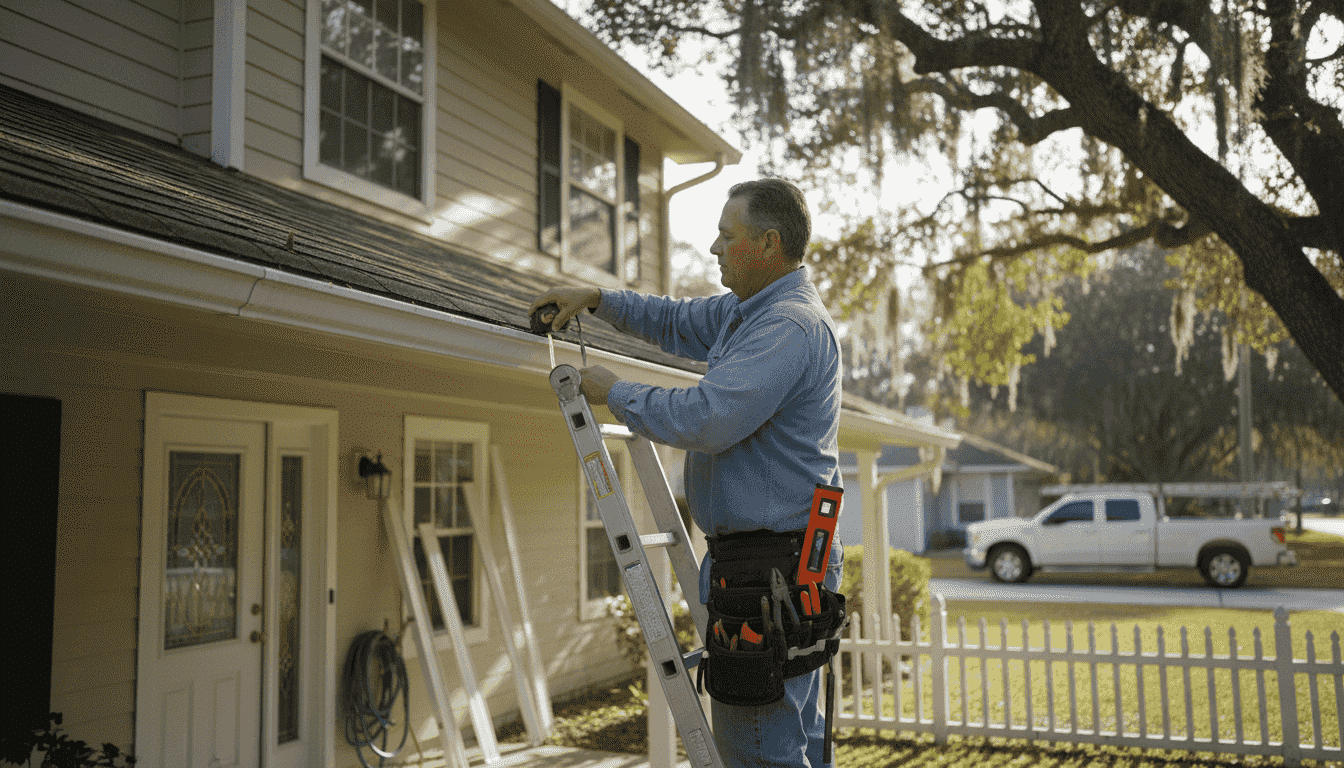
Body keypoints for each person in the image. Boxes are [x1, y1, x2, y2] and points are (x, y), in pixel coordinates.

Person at [529, 178, 843, 768]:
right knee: (787, 740)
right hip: (779, 558)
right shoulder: (746, 313)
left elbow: (708, 417)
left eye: (728, 235)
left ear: (768, 244)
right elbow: (674, 321)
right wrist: (595, 297)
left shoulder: (788, 326)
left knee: (759, 752)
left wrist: (616, 393)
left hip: (771, 565)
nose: (715, 246)